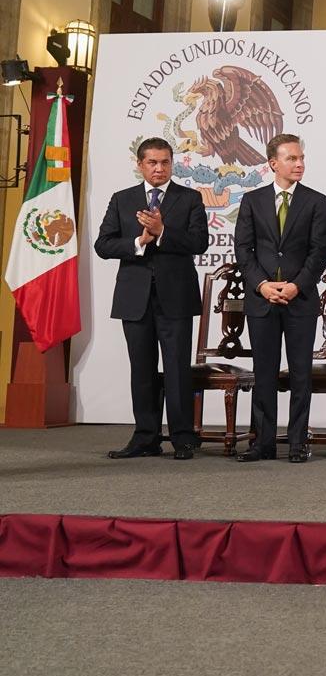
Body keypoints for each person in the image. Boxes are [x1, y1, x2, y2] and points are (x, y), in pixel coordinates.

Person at [93, 137, 210, 459]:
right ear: (140, 164)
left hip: (176, 297)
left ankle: (183, 437)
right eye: (152, 163)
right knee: (141, 369)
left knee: (176, 369)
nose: (159, 168)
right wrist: (138, 241)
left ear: (172, 164)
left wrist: (163, 232)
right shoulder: (122, 199)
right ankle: (145, 437)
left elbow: (200, 242)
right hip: (135, 298)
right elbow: (103, 245)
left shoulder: (190, 198)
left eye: (165, 162)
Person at [233, 134, 326, 464]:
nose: (299, 163)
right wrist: (262, 285)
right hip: (262, 299)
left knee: (300, 372)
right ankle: (261, 442)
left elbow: (320, 253)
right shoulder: (252, 201)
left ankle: (297, 442)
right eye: (291, 158)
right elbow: (243, 251)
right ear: (273, 163)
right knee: (264, 371)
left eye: (301, 157)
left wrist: (296, 286)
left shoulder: (316, 201)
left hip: (299, 300)